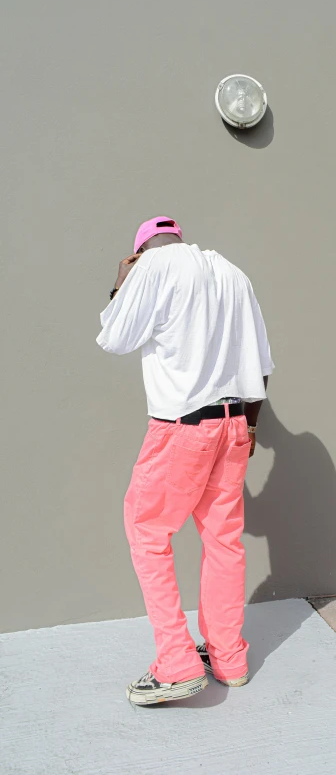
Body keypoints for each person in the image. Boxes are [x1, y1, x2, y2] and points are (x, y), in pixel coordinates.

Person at [96, 216, 274, 705]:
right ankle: (228, 658)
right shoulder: (233, 273)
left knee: (147, 533)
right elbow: (261, 364)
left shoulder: (152, 268)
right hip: (236, 423)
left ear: (141, 249)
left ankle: (176, 664)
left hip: (182, 428)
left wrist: (120, 283)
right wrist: (251, 427)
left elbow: (114, 338)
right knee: (223, 542)